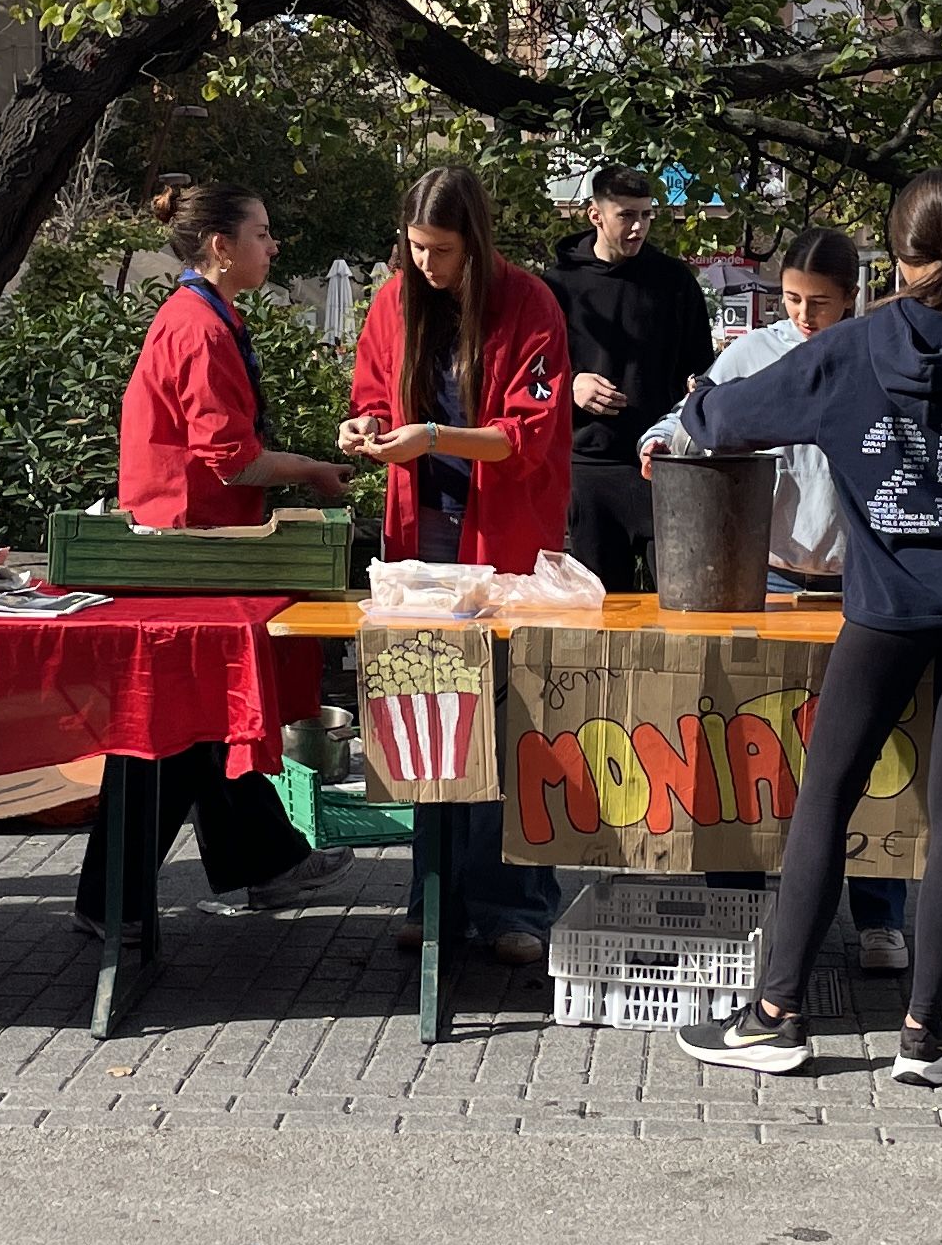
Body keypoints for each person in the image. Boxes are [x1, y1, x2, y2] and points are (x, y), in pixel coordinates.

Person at [675, 169, 942, 1087]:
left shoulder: (853, 349)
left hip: (881, 612)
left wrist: (700, 402)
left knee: (825, 799)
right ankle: (924, 1033)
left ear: (896, 249)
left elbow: (728, 421)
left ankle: (777, 1015)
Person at [643, 226, 916, 977]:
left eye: (820, 303)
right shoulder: (751, 354)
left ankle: (881, 913)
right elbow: (691, 413)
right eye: (793, 299)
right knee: (748, 744)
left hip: (863, 580)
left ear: (852, 297)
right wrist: (661, 439)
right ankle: (742, 904)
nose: (805, 316)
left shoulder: (880, 351)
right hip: (769, 578)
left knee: (874, 754)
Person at [93, 183, 355, 925]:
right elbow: (230, 459)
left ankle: (263, 864)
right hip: (187, 547)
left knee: (195, 722)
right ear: (220, 246)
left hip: (190, 539)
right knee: (181, 723)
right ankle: (120, 899)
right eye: (263, 233)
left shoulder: (203, 317)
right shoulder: (200, 330)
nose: (272, 247)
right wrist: (308, 470)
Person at [346, 165, 577, 965]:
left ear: (474, 241)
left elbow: (527, 435)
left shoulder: (530, 303)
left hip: (504, 545)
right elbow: (374, 396)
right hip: (422, 541)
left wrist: (432, 437)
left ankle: (516, 904)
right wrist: (365, 430)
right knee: (428, 721)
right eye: (414, 247)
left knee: (509, 726)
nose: (426, 265)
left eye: (440, 249)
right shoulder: (393, 301)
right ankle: (431, 894)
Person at [549, 167, 716, 591]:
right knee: (600, 614)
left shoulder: (675, 283)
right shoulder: (556, 286)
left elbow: (700, 371)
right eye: (626, 215)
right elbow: (529, 376)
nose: (638, 226)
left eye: (646, 214)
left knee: (681, 604)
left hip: (663, 468)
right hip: (590, 469)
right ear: (595, 215)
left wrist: (698, 393)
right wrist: (570, 386)